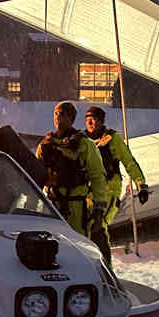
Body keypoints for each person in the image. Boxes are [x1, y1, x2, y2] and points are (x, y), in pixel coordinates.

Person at [83, 106, 149, 268]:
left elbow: (129, 162)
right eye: (88, 119)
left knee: (99, 225)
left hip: (109, 189)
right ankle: (87, 266)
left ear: (101, 121)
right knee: (83, 228)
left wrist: (141, 185)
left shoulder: (113, 139)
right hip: (88, 190)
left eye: (94, 119)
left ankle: (106, 268)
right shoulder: (81, 140)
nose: (91, 122)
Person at [36, 101, 108, 240]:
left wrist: (99, 209)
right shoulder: (46, 145)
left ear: (71, 118)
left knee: (78, 246)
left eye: (61, 114)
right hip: (53, 206)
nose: (57, 117)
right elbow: (34, 176)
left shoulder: (84, 144)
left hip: (76, 209)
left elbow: (97, 176)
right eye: (55, 114)